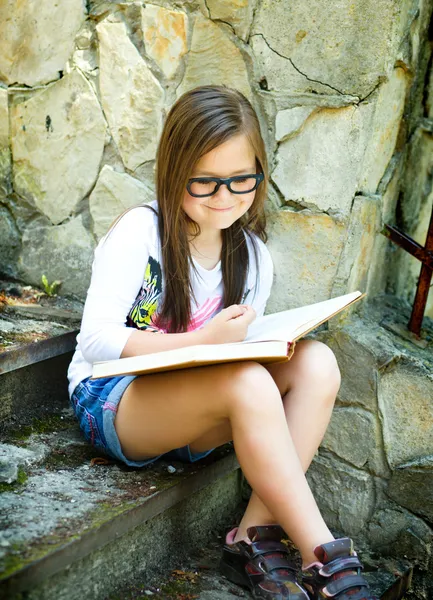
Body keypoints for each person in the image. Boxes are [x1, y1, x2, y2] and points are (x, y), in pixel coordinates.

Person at [67, 85, 376, 600]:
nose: (226, 197)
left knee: (318, 363)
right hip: (115, 399)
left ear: (260, 173)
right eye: (205, 183)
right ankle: (329, 562)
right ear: (174, 171)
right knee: (248, 381)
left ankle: (252, 538)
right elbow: (96, 342)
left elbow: (234, 357)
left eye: (241, 181)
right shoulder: (141, 233)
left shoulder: (252, 256)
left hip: (202, 408)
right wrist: (204, 340)